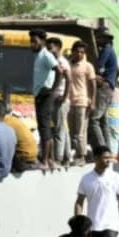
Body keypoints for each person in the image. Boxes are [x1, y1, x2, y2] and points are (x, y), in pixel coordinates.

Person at [30, 29, 63, 168]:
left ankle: (45, 160)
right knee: (43, 127)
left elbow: (59, 71)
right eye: (31, 42)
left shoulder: (46, 55)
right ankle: (49, 159)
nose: (32, 44)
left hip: (45, 94)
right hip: (40, 94)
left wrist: (52, 90)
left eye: (34, 41)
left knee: (45, 128)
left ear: (42, 41)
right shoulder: (39, 56)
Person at [68, 41, 96, 165]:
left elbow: (93, 84)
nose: (79, 54)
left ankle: (82, 156)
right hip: (69, 101)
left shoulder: (87, 66)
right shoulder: (68, 64)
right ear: (72, 51)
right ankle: (74, 154)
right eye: (77, 52)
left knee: (80, 131)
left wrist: (93, 100)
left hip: (82, 101)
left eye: (82, 52)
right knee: (72, 131)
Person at [45, 37, 72, 166]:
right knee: (63, 129)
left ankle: (58, 159)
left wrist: (64, 97)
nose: (49, 51)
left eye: (51, 48)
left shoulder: (61, 62)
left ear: (58, 48)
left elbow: (69, 80)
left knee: (58, 129)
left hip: (60, 99)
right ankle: (67, 157)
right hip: (57, 98)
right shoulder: (54, 61)